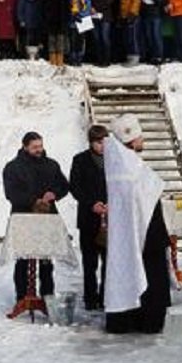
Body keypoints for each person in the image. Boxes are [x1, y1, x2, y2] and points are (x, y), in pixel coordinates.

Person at [103, 114, 172, 334]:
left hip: (133, 228)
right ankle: (150, 320)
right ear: (132, 139)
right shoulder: (128, 165)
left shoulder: (120, 162)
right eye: (141, 137)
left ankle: (131, 318)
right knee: (151, 273)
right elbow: (143, 195)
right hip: (147, 231)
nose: (143, 141)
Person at [2, 132, 69, 304]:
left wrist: (54, 193)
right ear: (25, 147)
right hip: (23, 218)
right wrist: (33, 200)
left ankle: (47, 296)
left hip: (47, 218)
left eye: (41, 146)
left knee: (46, 261)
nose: (39, 150)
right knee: (23, 260)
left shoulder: (52, 165)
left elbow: (63, 185)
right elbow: (11, 193)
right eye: (34, 147)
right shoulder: (12, 167)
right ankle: (22, 297)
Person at [70, 125, 109, 311]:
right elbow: (75, 187)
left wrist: (112, 204)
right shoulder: (80, 160)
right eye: (98, 142)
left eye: (104, 142)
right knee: (90, 262)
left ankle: (106, 296)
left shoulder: (114, 160)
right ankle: (90, 298)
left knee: (109, 262)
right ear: (91, 142)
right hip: (88, 218)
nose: (102, 146)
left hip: (110, 218)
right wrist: (91, 203)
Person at [40, 0, 72, 67]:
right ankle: (53, 61)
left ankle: (60, 61)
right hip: (50, 21)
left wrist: (67, 18)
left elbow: (68, 6)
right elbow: (43, 6)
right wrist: (45, 18)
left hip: (62, 20)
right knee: (51, 41)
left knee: (61, 41)